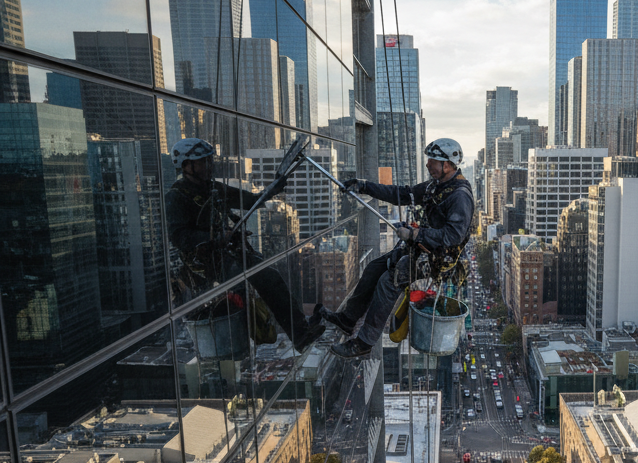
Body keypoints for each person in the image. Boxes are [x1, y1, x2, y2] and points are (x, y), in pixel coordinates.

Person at [165, 138, 323, 352]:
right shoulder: (177, 197)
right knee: (252, 287)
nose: (209, 166)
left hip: (227, 252)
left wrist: (273, 190)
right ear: (186, 165)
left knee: (272, 278)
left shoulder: (213, 189)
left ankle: (301, 333)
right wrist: (217, 237)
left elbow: (249, 201)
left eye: (209, 161)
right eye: (203, 162)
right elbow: (179, 237)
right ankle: (273, 337)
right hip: (205, 263)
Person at [321, 139, 474, 358]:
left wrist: (415, 234)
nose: (429, 164)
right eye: (429, 160)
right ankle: (347, 320)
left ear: (448, 165)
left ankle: (364, 343)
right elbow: (403, 194)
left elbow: (453, 236)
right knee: (374, 268)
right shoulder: (436, 187)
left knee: (389, 282)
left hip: (439, 260)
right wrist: (365, 186)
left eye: (434, 161)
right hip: (423, 250)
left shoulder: (459, 196)